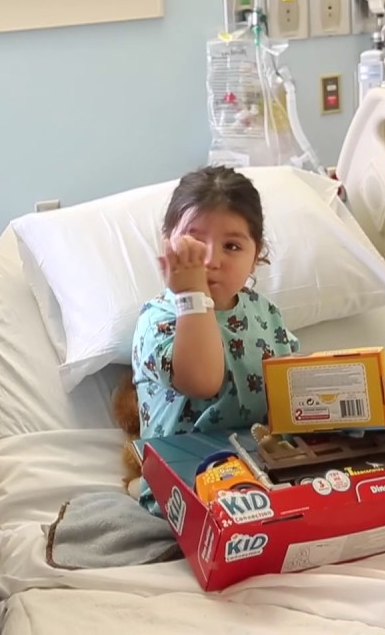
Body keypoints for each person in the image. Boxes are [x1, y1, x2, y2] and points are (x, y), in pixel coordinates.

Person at [113, 166, 300, 513]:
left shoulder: (266, 314)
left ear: (256, 254)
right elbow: (202, 381)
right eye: (195, 244)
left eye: (232, 245)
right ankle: (144, 484)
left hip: (260, 464)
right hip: (190, 473)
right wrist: (192, 295)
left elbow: (290, 387)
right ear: (167, 243)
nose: (211, 260)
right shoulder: (158, 319)